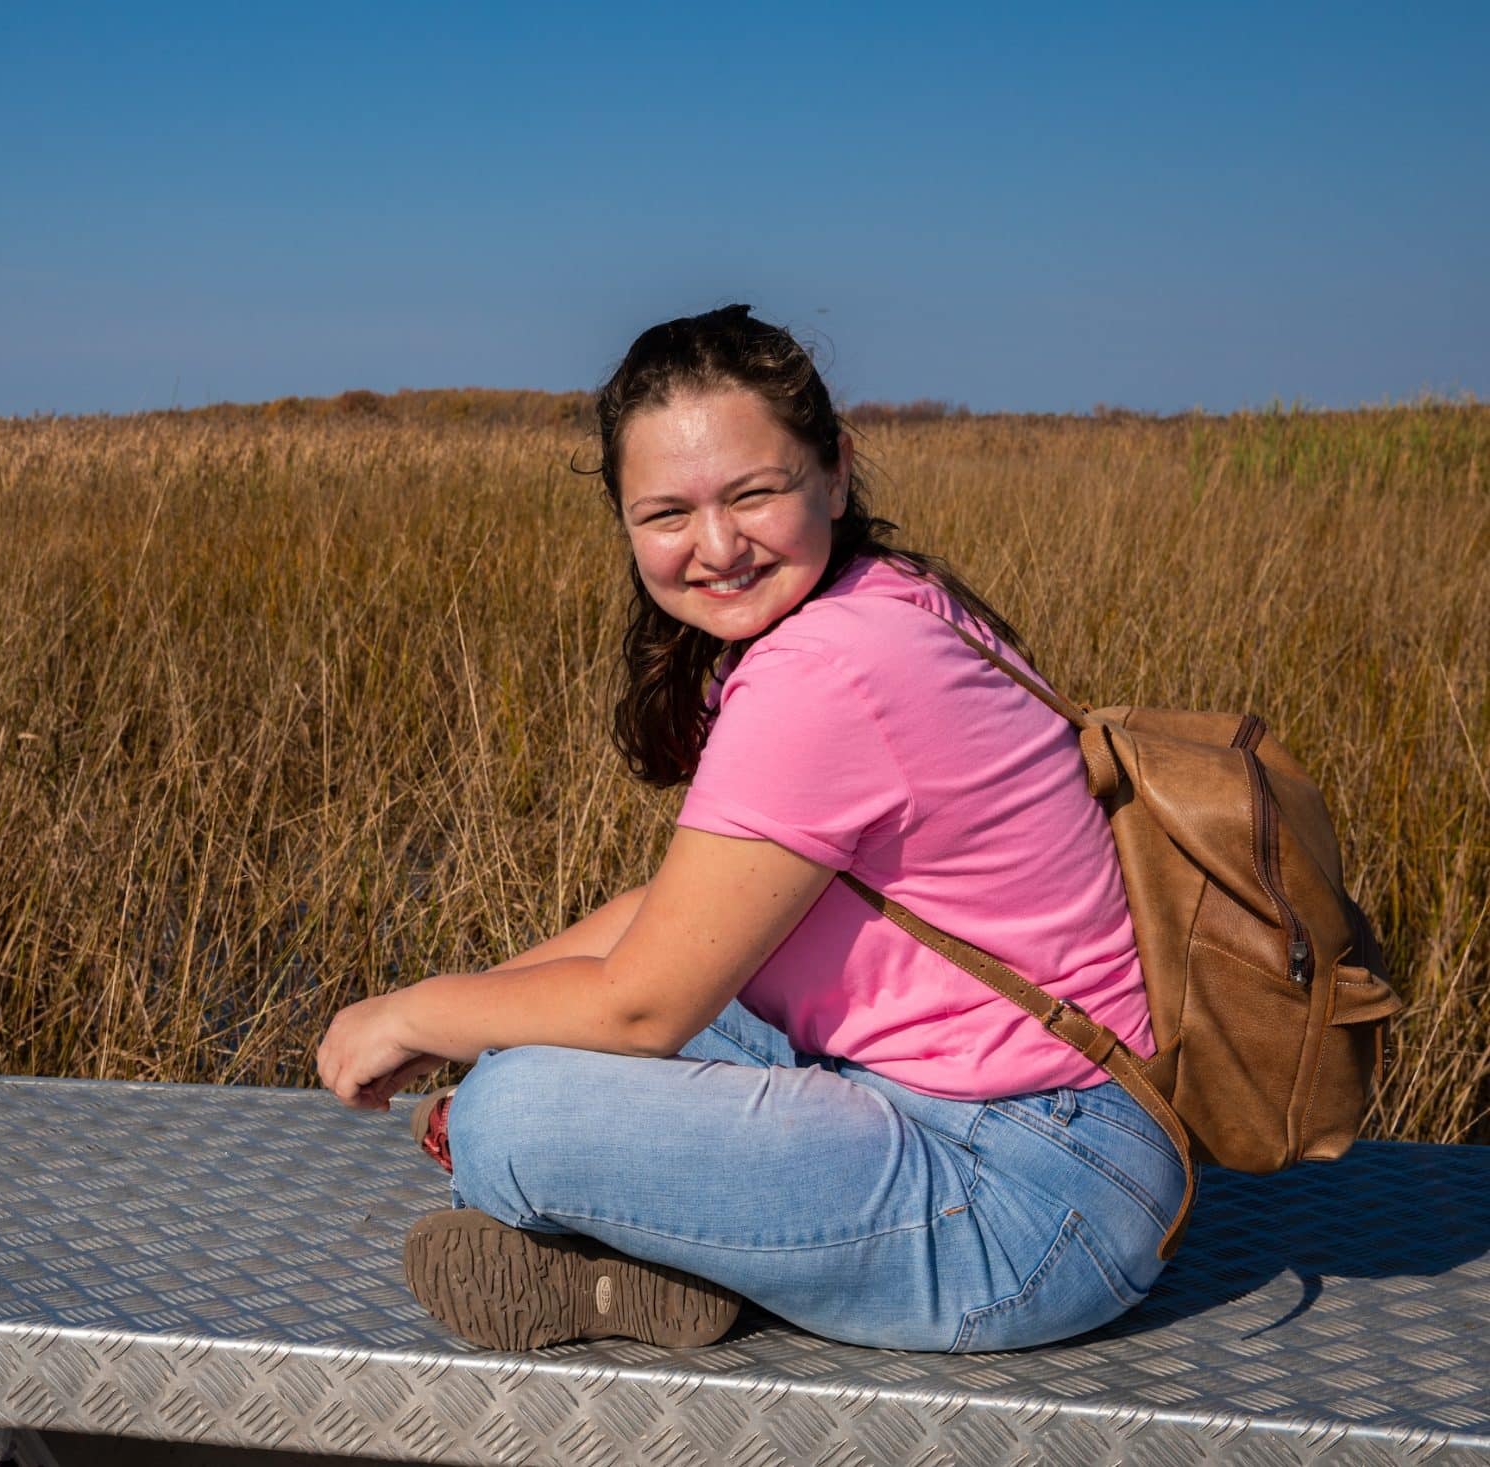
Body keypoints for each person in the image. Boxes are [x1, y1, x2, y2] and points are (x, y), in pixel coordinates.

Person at [315, 305, 1184, 1355]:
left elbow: (641, 1007)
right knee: (535, 1044)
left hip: (1029, 1205)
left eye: (753, 494)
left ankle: (626, 1264)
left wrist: (416, 1018)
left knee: (514, 1119)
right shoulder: (888, 600)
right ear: (624, 519)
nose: (716, 546)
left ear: (835, 472)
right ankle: (660, 1257)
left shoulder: (824, 674)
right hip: (1011, 1113)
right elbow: (666, 924)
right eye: (667, 513)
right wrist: (469, 1014)